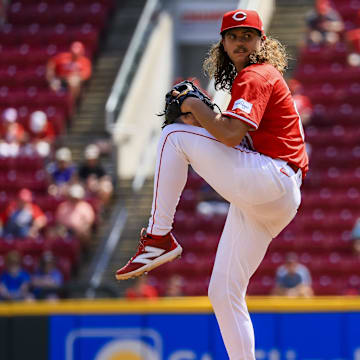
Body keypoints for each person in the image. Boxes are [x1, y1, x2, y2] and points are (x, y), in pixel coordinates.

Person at [116, 9, 308, 360]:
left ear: (261, 41)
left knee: (173, 136)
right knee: (223, 292)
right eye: (233, 35)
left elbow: (232, 135)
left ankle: (159, 236)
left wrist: (193, 107)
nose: (240, 41)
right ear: (222, 42)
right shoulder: (252, 78)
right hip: (269, 197)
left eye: (247, 35)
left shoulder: (256, 74)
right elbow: (229, 135)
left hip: (273, 178)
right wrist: (202, 117)